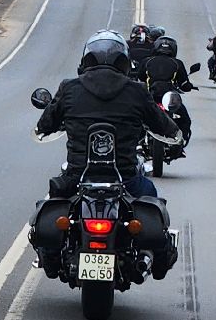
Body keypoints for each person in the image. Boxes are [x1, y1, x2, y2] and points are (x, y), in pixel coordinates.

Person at [35, 31, 182, 201]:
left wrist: (48, 126)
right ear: (124, 62)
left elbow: (46, 124)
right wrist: (173, 132)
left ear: (86, 60)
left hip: (77, 175)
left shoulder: (69, 88)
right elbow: (161, 123)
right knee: (151, 198)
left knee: (50, 206)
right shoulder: (137, 91)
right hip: (125, 177)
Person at [139, 35, 196, 142]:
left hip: (149, 97)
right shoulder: (177, 63)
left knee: (136, 116)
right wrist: (188, 86)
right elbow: (184, 84)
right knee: (185, 119)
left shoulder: (146, 61)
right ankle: (182, 141)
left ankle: (136, 142)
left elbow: (140, 77)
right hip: (169, 99)